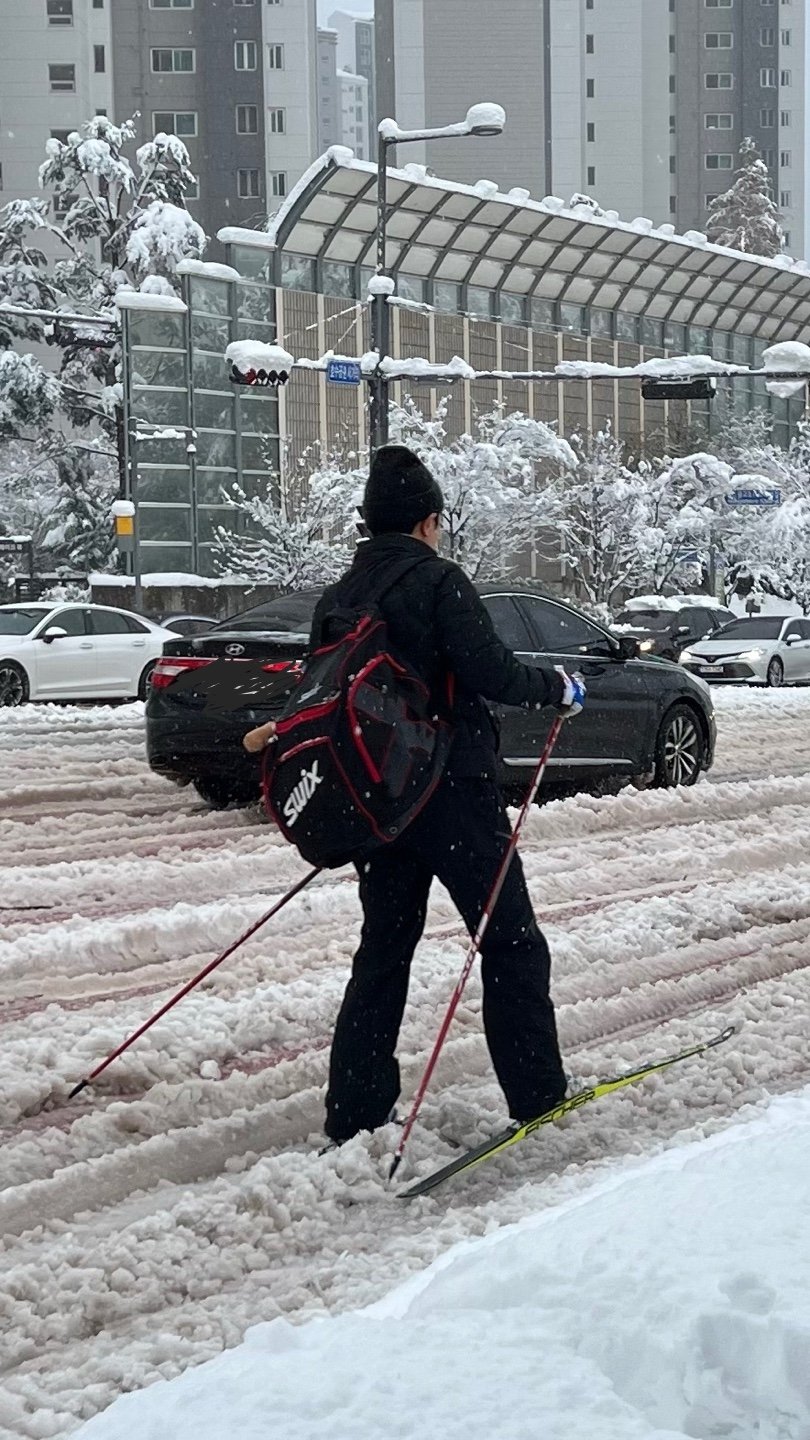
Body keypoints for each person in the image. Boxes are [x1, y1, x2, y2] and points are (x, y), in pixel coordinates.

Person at [246, 444, 585, 1145]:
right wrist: (558, 689)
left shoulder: (340, 595)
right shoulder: (439, 582)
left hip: (379, 801)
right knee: (509, 940)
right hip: (454, 792)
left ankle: (356, 1112)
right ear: (429, 521)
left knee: (384, 949)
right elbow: (490, 672)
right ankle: (537, 1094)